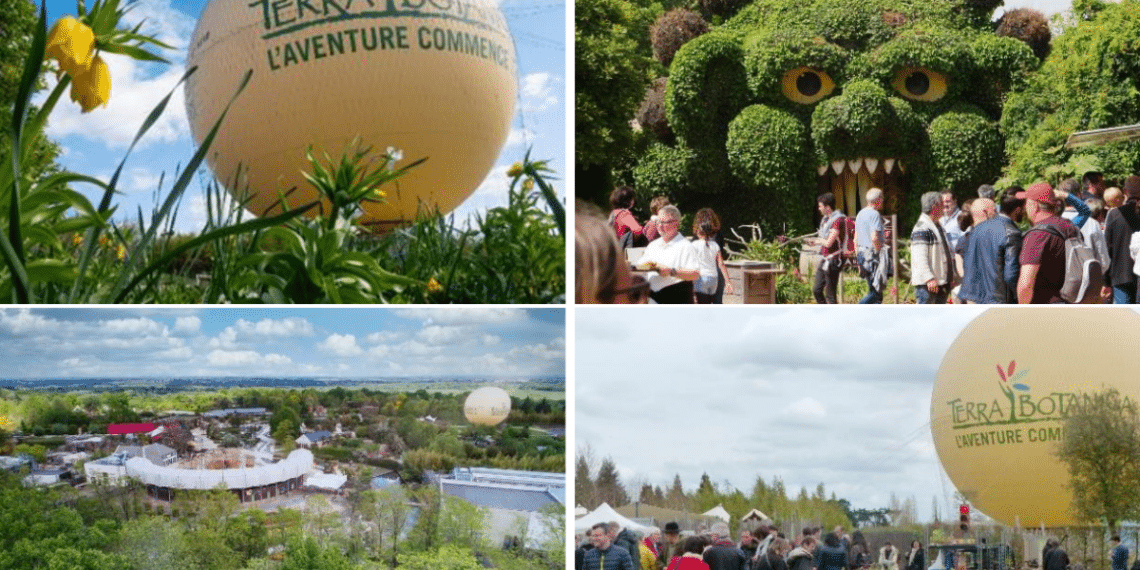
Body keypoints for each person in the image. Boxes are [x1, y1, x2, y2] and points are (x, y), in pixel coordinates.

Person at [1017, 182, 1081, 304]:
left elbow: (1026, 284)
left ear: (1034, 206)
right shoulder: (1069, 226)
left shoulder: (1037, 235)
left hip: (1046, 310)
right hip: (1072, 303)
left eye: (1026, 203)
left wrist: (1022, 312)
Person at [576, 201, 651, 304]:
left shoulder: (613, 214)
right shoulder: (624, 214)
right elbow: (637, 230)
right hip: (617, 254)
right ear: (630, 200)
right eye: (635, 295)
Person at [636, 205, 701, 304]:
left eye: (664, 222)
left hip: (676, 301)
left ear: (676, 223)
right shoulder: (653, 245)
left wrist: (670, 271)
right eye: (658, 222)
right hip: (652, 301)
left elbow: (695, 274)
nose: (660, 225)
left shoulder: (686, 246)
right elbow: (640, 268)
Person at [910, 191, 956, 303]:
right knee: (925, 318)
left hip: (939, 283)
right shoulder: (922, 227)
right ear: (934, 206)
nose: (944, 206)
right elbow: (919, 257)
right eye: (941, 203)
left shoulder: (935, 224)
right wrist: (929, 278)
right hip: (928, 285)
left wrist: (950, 275)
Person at [1103, 176, 1140, 303]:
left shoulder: (1114, 214)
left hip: (1120, 275)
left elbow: (1107, 248)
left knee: (1124, 318)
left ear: (1125, 191)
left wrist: (1105, 281)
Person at [692, 208, 735, 304]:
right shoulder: (718, 236)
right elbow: (721, 263)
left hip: (701, 277)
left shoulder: (695, 242)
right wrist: (728, 281)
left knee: (703, 305)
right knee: (717, 303)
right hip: (716, 276)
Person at [812, 193, 847, 304]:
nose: (819, 209)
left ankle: (833, 319)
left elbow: (828, 243)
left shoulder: (838, 220)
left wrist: (818, 241)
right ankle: (825, 314)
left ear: (827, 207)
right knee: (816, 290)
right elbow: (824, 239)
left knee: (830, 295)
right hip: (825, 258)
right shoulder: (825, 220)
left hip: (834, 260)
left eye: (820, 206)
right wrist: (815, 242)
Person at [855, 187, 886, 304]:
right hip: (872, 257)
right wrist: (879, 254)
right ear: (877, 199)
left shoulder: (860, 214)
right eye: (882, 198)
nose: (883, 201)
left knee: (876, 293)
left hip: (862, 256)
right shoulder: (875, 214)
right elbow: (874, 238)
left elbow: (855, 239)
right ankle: (856, 309)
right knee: (876, 294)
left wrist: (858, 260)